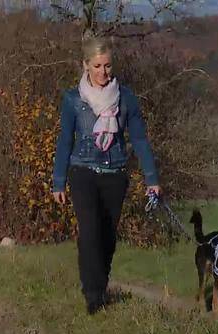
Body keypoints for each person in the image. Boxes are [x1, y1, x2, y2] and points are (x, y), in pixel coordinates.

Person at [51, 37, 161, 315]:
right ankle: (93, 294)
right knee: (89, 232)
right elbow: (65, 141)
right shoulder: (73, 100)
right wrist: (58, 180)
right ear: (86, 65)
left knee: (108, 236)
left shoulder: (127, 99)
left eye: (108, 66)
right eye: (97, 66)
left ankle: (100, 284)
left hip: (115, 173)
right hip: (82, 172)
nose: (103, 72)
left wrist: (152, 179)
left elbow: (139, 139)